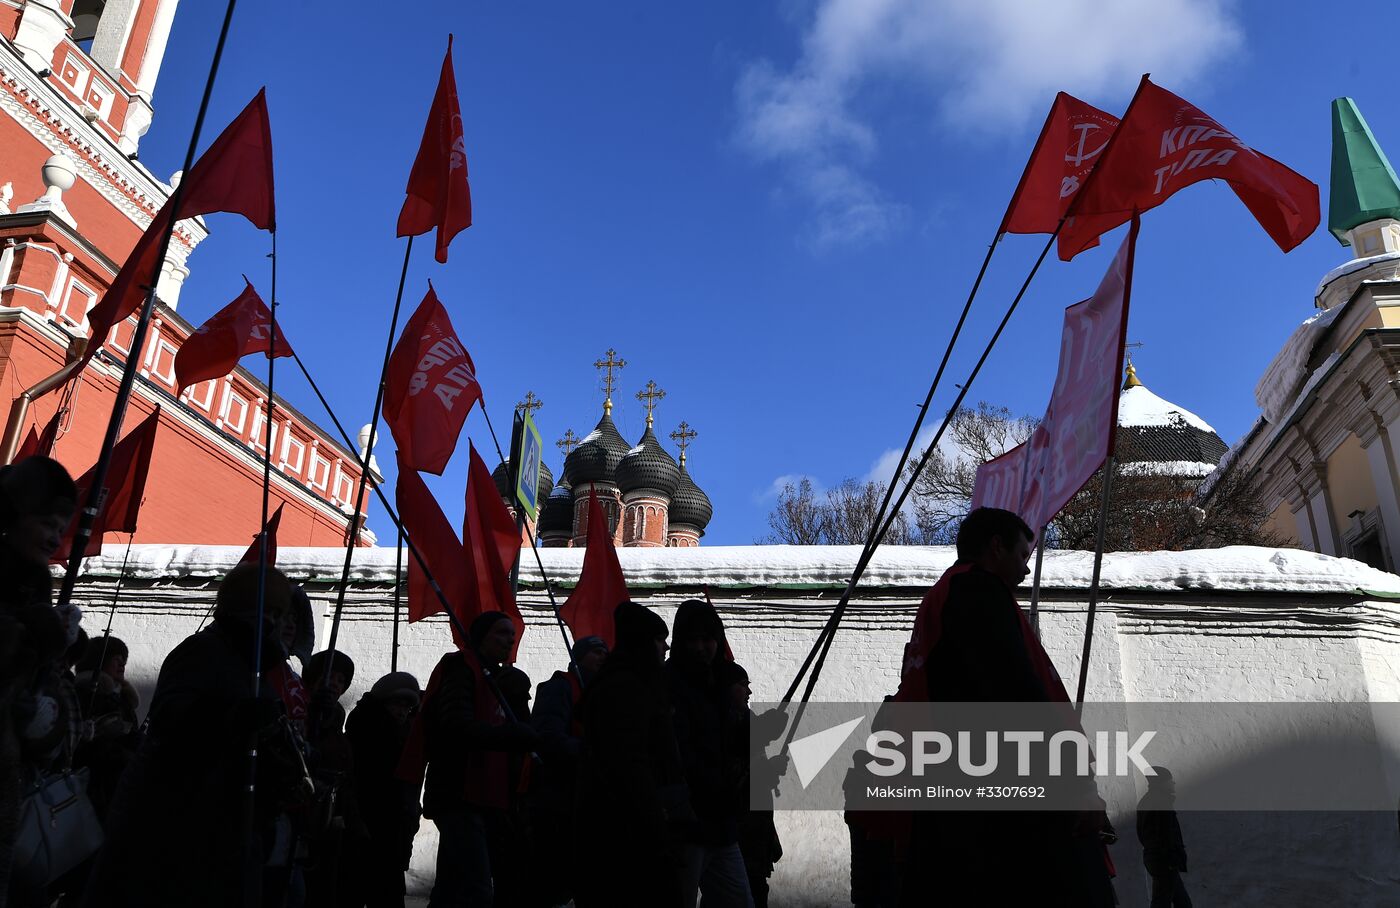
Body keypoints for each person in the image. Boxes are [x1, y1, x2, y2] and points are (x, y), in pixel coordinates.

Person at [893, 507, 1115, 907]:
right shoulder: (978, 593)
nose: (1026, 572)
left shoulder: (943, 596)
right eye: (1022, 557)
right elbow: (1016, 693)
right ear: (996, 547)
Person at [83, 563, 312, 907]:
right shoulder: (205, 652)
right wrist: (236, 718)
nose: (286, 622)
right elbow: (173, 724)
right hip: (178, 832)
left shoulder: (256, 666)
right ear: (254, 609)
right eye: (278, 611)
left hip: (228, 832)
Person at [398, 611, 537, 908]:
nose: (510, 640)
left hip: (489, 796)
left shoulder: (500, 680)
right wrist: (513, 735)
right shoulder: (461, 669)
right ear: (481, 636)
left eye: (512, 635)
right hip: (460, 791)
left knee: (451, 885)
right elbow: (456, 725)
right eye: (501, 633)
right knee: (476, 887)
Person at [0, 456, 78, 907]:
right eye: (46, 522)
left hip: (11, 782)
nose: (54, 537)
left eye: (60, 526)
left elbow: (38, 688)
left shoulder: (35, 588)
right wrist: (35, 631)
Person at [667, 599, 752, 908]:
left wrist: (745, 722)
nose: (702, 647)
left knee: (737, 900)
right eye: (693, 639)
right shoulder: (668, 685)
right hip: (685, 824)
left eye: (708, 639)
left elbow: (739, 744)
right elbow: (677, 755)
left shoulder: (722, 686)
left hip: (721, 823)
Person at [529, 636, 607, 907]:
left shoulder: (600, 691)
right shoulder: (560, 687)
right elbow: (548, 736)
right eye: (597, 652)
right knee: (554, 883)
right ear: (579, 656)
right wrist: (592, 754)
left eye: (605, 652)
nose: (603, 657)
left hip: (588, 800)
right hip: (559, 797)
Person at [344, 672, 422, 908]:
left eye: (407, 707)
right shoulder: (368, 727)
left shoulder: (405, 736)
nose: (401, 711)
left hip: (395, 829)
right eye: (397, 704)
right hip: (368, 821)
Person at [715, 661, 782, 908]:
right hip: (738, 828)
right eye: (743, 686)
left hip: (755, 829)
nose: (749, 692)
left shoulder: (746, 720)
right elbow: (732, 778)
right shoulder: (723, 725)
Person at [73, 635, 140, 820]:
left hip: (121, 781)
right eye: (116, 660)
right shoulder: (87, 694)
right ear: (99, 662)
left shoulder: (122, 698)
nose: (122, 666)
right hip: (95, 783)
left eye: (124, 661)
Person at [1137, 767, 1191, 907]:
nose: (1172, 783)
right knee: (1163, 902)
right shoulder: (1161, 802)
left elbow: (1142, 834)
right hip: (1165, 860)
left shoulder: (1146, 801)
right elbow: (1165, 834)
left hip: (1157, 858)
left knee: (1182, 901)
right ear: (1160, 782)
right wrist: (1171, 858)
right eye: (1169, 780)